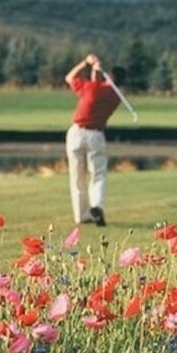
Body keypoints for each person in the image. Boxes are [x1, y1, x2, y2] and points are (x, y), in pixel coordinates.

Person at [64, 54, 122, 226]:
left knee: (77, 177)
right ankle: (96, 206)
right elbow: (98, 85)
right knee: (98, 175)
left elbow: (70, 78)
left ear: (109, 76)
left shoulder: (91, 88)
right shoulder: (115, 96)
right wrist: (96, 71)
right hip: (96, 136)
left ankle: (81, 215)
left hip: (76, 134)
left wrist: (86, 63)